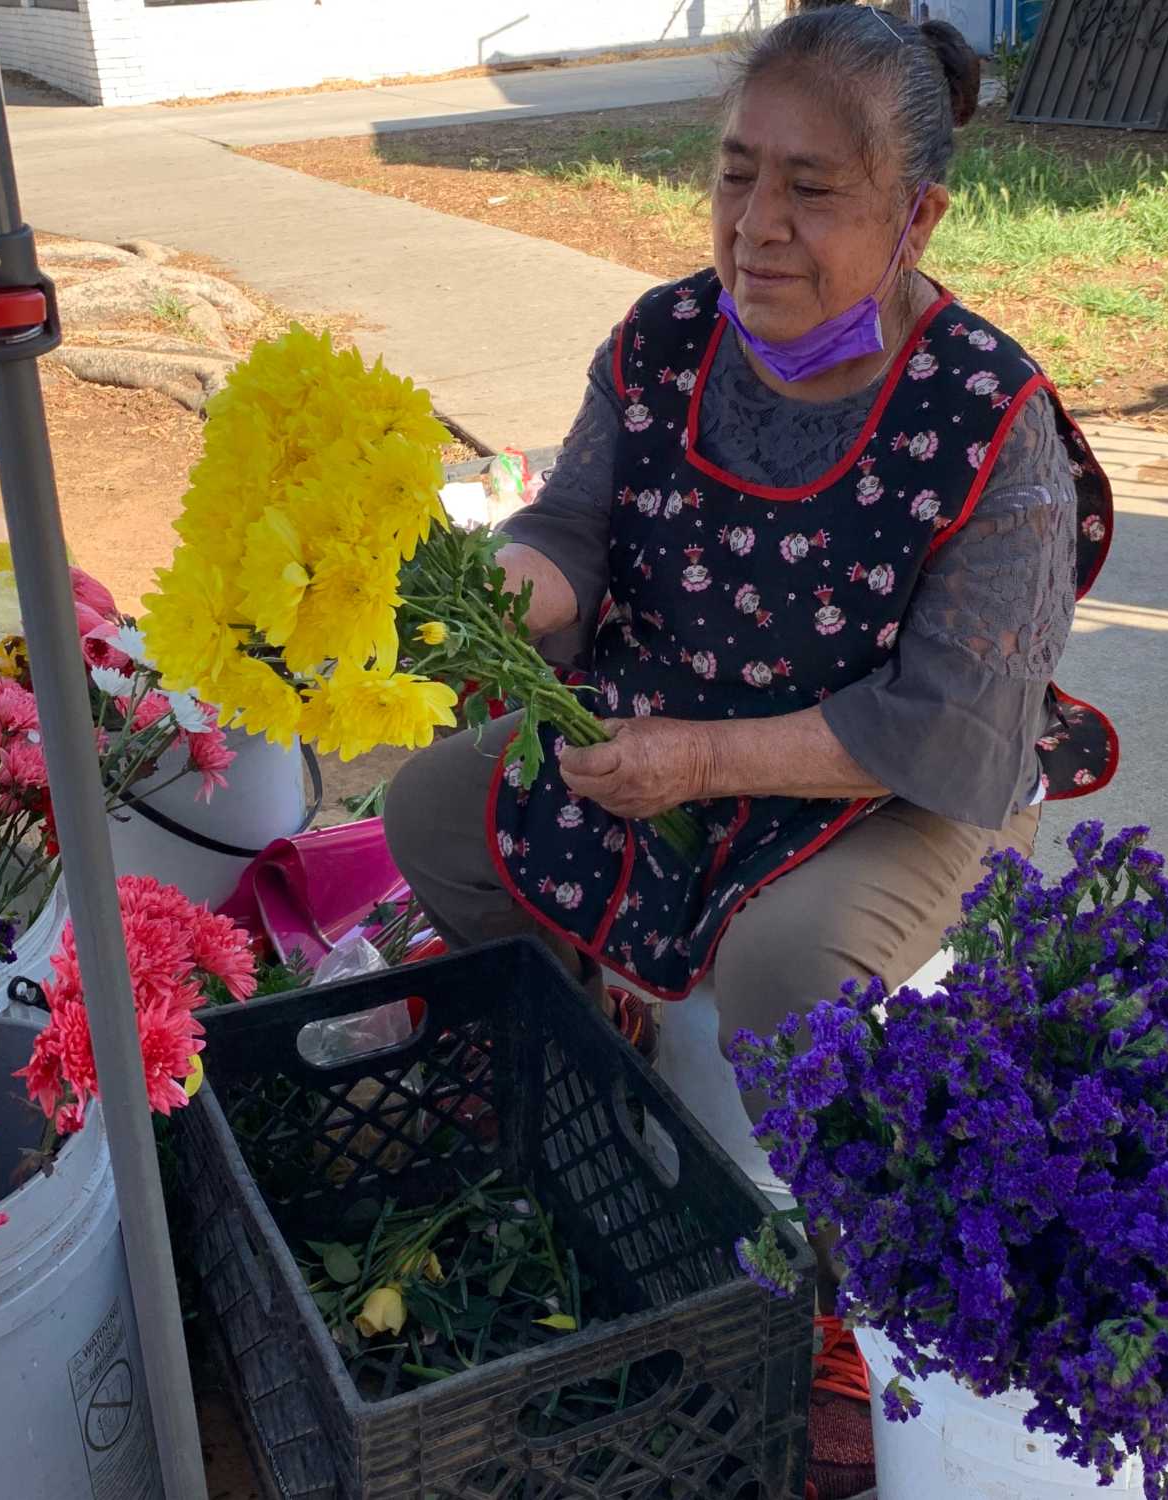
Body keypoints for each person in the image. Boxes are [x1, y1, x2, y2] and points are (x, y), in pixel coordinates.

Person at [385, 6, 1115, 1066]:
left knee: (787, 971)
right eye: (736, 176)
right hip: (660, 722)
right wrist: (502, 595)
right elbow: (568, 525)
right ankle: (582, 1068)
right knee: (440, 812)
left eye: (811, 189)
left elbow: (952, 721)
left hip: (891, 785)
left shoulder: (988, 416)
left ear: (917, 222)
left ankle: (820, 1232)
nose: (755, 224)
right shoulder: (664, 341)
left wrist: (704, 760)